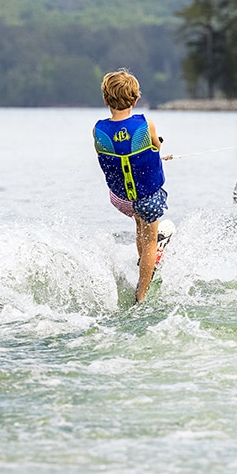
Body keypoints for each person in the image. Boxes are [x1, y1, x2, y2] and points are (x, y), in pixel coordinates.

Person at [94, 69, 173, 304]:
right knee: (150, 242)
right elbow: (156, 147)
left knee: (140, 227)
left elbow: (109, 152)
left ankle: (144, 263)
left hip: (120, 199)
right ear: (136, 99)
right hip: (147, 197)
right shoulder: (145, 124)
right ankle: (141, 295)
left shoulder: (98, 129)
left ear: (106, 99)